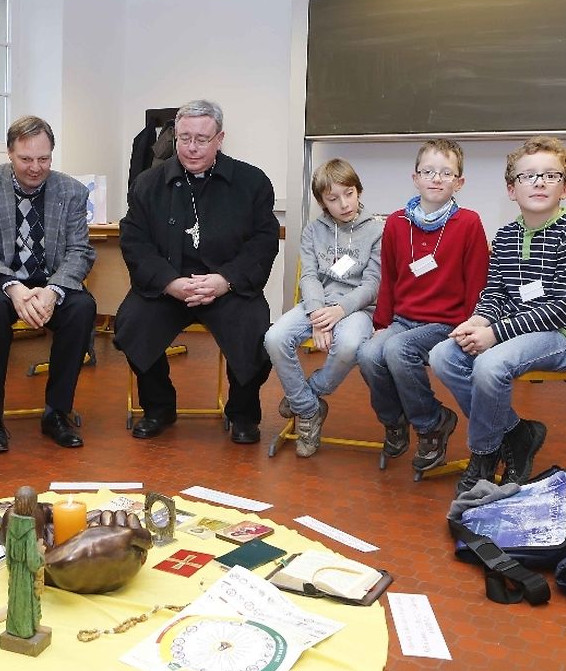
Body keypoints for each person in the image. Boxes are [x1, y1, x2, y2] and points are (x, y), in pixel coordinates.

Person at [429, 135, 566, 494]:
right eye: (528, 176)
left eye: (550, 176)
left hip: (564, 336)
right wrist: (479, 320)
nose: (539, 183)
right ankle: (517, 433)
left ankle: (484, 454)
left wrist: (495, 333)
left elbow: (560, 310)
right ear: (512, 190)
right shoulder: (506, 236)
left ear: (565, 188)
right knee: (443, 355)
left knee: (490, 364)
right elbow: (495, 293)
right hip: (515, 331)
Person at [115, 100, 279, 444]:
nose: (191, 147)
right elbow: (134, 241)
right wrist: (168, 282)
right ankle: (158, 407)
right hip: (170, 285)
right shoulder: (148, 183)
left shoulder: (252, 182)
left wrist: (225, 280)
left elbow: (264, 242)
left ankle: (243, 413)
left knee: (254, 329)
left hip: (227, 286)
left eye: (202, 140)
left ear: (220, 138)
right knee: (133, 321)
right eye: (184, 138)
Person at [0, 116, 96, 453]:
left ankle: (56, 414)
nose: (35, 168)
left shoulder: (72, 191)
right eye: (26, 159)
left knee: (82, 307)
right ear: (9, 153)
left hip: (49, 282)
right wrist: (13, 287)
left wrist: (52, 291)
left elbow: (80, 252)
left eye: (43, 159)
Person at [356, 139, 489, 475]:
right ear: (415, 178)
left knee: (398, 350)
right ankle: (395, 422)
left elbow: (477, 281)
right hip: (403, 320)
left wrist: (472, 326)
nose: (436, 178)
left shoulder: (469, 223)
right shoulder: (397, 223)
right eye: (428, 171)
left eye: (446, 173)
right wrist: (381, 324)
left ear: (459, 182)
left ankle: (431, 425)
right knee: (369, 354)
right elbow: (389, 278)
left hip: (447, 323)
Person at [264, 158, 382, 457]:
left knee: (350, 345)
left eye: (349, 193)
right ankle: (308, 409)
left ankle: (306, 395)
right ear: (322, 202)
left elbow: (372, 285)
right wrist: (318, 316)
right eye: (333, 198)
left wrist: (339, 311)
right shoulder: (313, 230)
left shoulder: (378, 230)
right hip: (315, 304)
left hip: (357, 308)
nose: (344, 204)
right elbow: (309, 277)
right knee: (275, 337)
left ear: (358, 190)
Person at [5, 486, 46, 640]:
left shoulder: (11, 524)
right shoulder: (29, 530)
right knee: (25, 601)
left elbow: (8, 553)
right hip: (25, 574)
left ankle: (12, 628)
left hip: (15, 571)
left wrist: (11, 570)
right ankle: (25, 630)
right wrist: (41, 558)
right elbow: (32, 561)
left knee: (14, 600)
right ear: (32, 505)